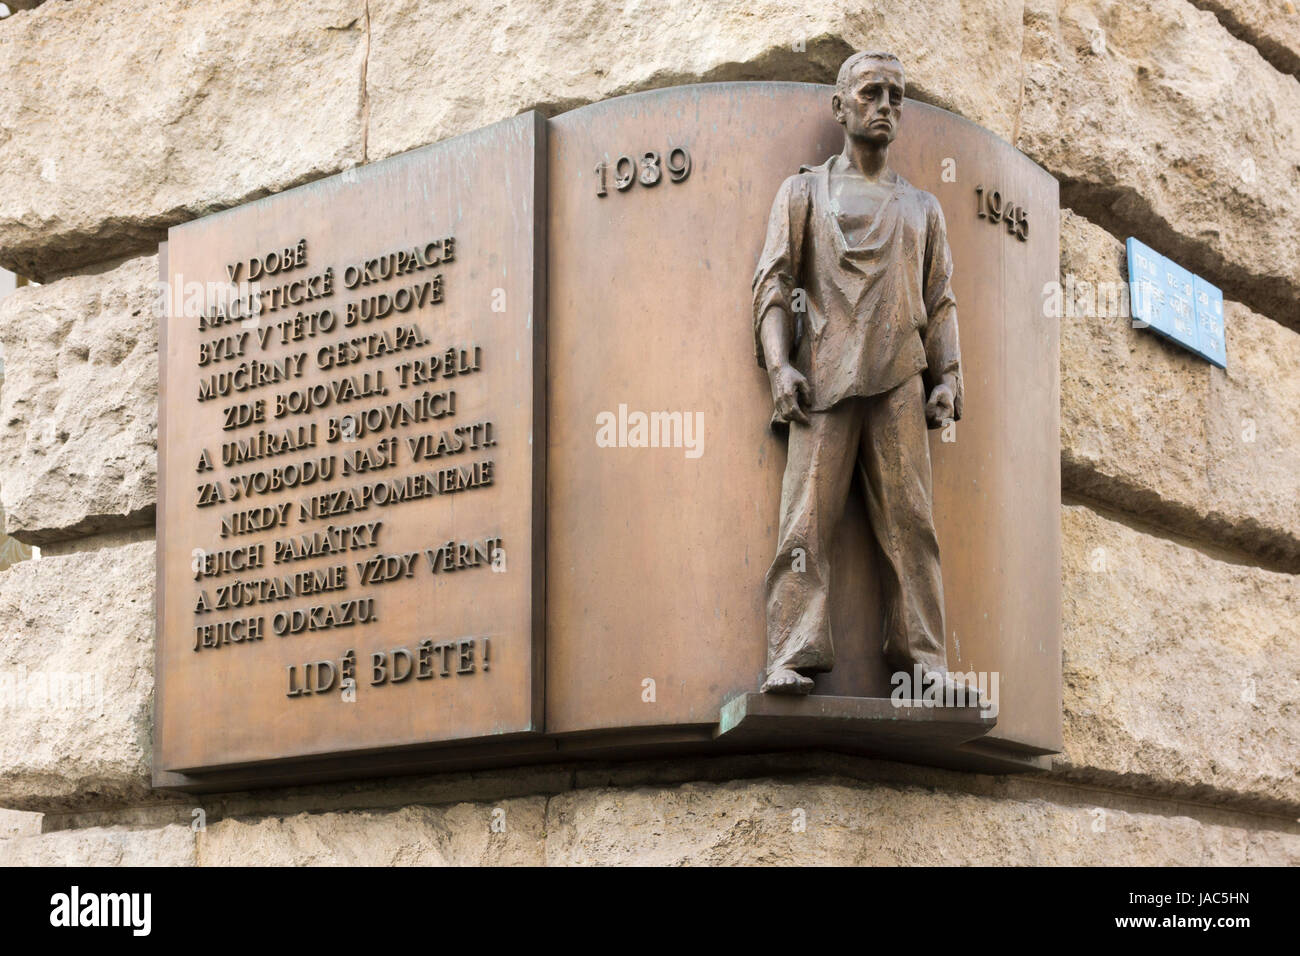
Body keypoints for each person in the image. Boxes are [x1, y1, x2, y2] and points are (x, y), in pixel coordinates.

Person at [753, 51, 963, 695]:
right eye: (871, 92)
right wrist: (780, 367)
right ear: (839, 106)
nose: (886, 106)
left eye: (897, 96)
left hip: (900, 379)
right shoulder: (802, 193)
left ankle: (925, 665)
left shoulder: (923, 208)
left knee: (911, 525)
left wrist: (948, 378)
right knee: (804, 523)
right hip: (821, 377)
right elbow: (773, 283)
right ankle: (791, 652)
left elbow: (940, 301)